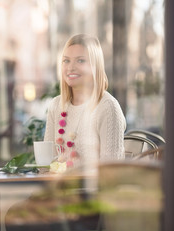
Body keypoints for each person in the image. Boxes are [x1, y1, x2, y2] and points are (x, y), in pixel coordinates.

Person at [44, 34, 126, 172]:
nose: (71, 67)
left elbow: (111, 172)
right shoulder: (56, 105)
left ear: (95, 66)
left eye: (80, 61)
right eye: (66, 61)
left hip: (93, 192)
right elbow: (47, 165)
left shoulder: (107, 107)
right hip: (60, 190)